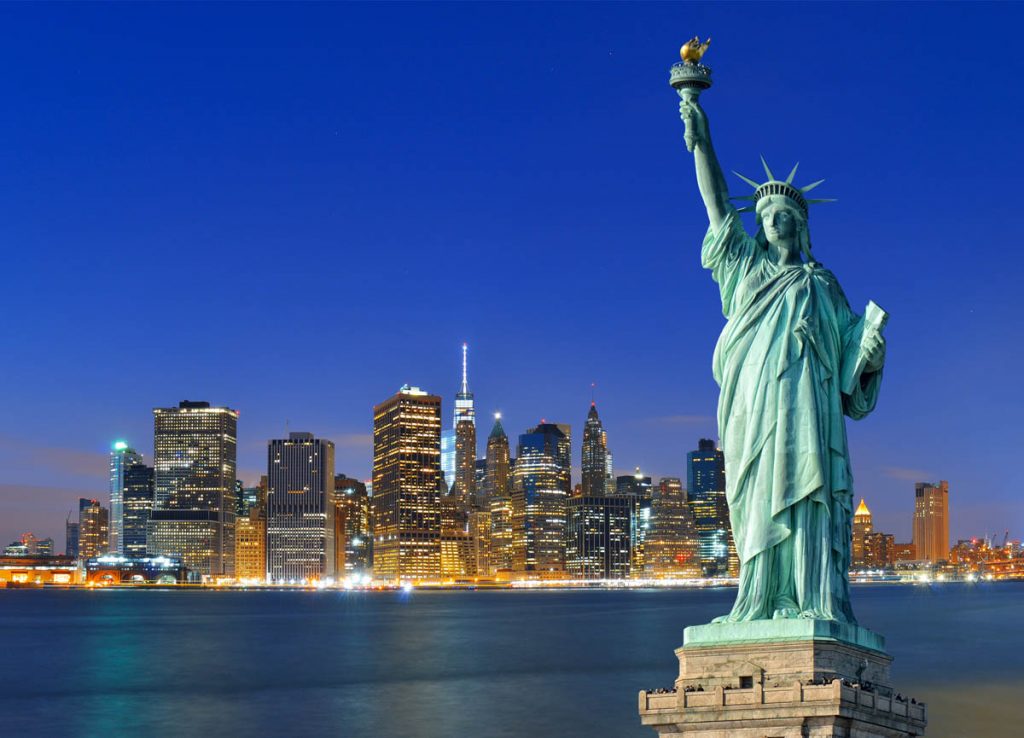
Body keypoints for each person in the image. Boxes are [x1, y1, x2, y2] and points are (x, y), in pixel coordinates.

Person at [679, 97, 885, 623]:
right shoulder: (744, 266)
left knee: (806, 489)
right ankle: (760, 596)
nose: (771, 221)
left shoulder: (822, 284)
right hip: (754, 401)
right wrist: (701, 137)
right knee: (756, 491)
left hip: (808, 408)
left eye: (781, 215)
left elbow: (849, 379)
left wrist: (870, 356)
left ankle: (809, 595)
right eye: (765, 215)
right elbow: (718, 205)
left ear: (798, 223)